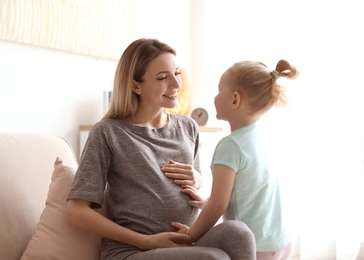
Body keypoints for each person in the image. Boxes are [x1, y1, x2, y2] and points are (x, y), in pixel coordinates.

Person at [66, 38, 256, 260]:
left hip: (187, 242)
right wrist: (145, 240)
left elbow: (193, 194)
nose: (176, 84)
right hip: (133, 251)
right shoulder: (108, 132)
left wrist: (198, 179)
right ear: (136, 85)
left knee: (239, 233)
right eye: (163, 78)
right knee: (213, 258)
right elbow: (76, 212)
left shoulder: (188, 127)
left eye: (176, 73)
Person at [173, 60, 299, 260]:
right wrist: (207, 202)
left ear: (234, 100)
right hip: (283, 241)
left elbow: (218, 206)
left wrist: (189, 235)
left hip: (256, 246)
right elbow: (249, 191)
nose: (215, 96)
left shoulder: (230, 146)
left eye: (218, 90)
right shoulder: (260, 136)